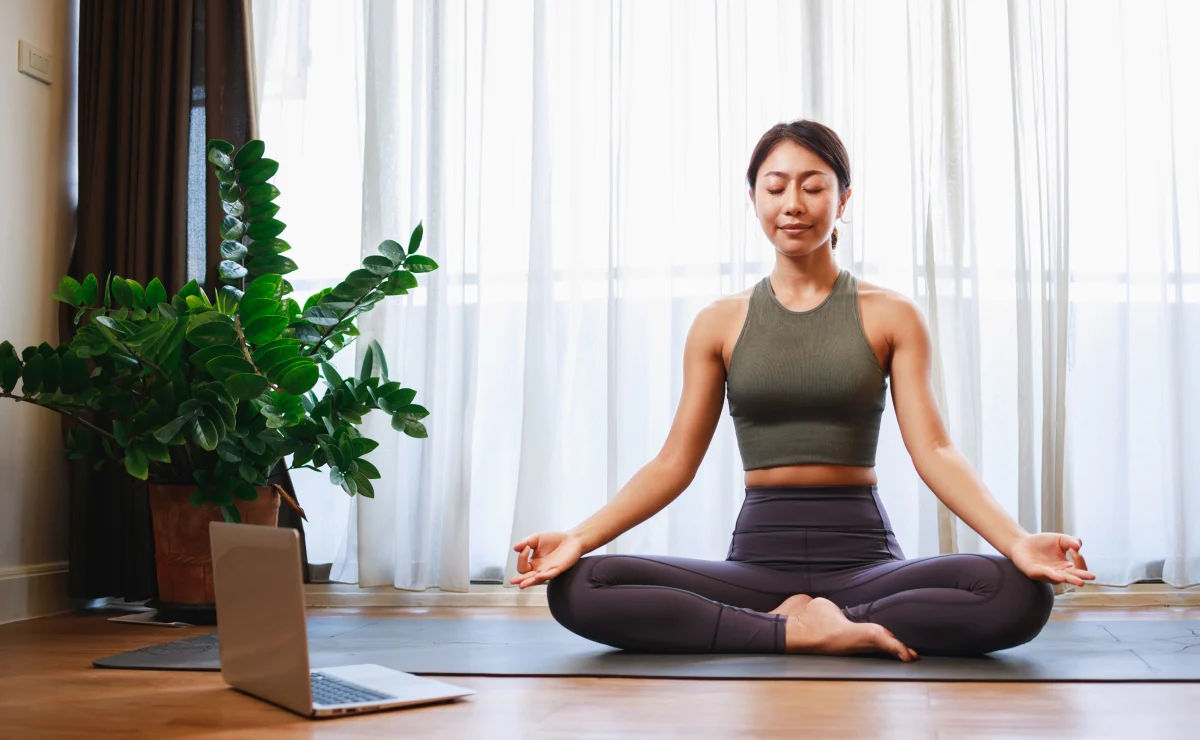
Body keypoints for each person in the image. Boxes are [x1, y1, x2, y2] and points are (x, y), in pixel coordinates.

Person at [510, 119, 1094, 660]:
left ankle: (811, 623)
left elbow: (935, 452)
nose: (793, 204)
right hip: (757, 561)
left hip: (864, 560)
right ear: (754, 199)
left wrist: (1017, 542)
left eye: (814, 187)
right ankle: (802, 629)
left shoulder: (891, 315)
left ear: (843, 200)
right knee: (581, 585)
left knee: (1019, 593)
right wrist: (579, 537)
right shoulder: (720, 322)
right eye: (775, 187)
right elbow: (672, 463)